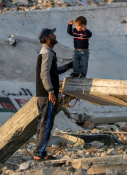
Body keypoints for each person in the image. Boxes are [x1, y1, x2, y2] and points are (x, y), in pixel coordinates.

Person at [34, 28, 73, 160]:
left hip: (42, 94)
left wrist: (69, 65)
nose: (55, 35)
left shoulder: (47, 52)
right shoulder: (47, 53)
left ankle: (39, 152)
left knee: (42, 123)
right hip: (46, 95)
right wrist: (51, 91)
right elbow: (44, 74)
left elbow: (53, 71)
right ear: (47, 39)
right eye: (52, 34)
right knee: (46, 124)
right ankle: (39, 153)